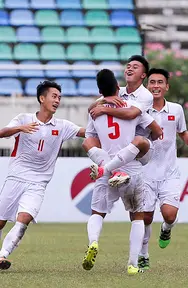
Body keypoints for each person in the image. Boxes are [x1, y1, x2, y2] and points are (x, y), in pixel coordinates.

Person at [0, 81, 85, 270]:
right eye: (54, 96)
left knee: (24, 219)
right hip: (16, 177)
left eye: (59, 98)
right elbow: (2, 133)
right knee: (1, 221)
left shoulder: (62, 126)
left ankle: (2, 255)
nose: (57, 101)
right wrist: (20, 129)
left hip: (39, 182)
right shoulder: (23, 119)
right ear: (42, 98)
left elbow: (84, 132)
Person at [82, 69, 159, 275]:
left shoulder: (95, 112)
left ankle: (94, 242)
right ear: (118, 88)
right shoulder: (131, 106)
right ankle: (133, 264)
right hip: (131, 167)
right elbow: (157, 130)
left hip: (104, 169)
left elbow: (90, 139)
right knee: (137, 217)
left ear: (99, 91)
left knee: (97, 213)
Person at [137, 68, 188, 270]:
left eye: (160, 82)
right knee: (146, 217)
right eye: (152, 82)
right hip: (145, 173)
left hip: (169, 172)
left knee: (169, 215)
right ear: (147, 86)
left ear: (167, 86)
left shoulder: (176, 109)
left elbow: (182, 131)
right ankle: (143, 255)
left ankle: (166, 229)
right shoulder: (139, 110)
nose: (156, 86)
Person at [83, 55, 158, 186]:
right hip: (118, 145)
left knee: (138, 140)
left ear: (143, 75)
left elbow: (131, 114)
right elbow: (92, 108)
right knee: (87, 142)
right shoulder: (119, 91)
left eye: (135, 67)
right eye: (128, 66)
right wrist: (104, 100)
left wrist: (104, 109)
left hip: (139, 148)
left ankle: (105, 169)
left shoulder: (145, 95)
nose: (129, 69)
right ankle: (115, 172)